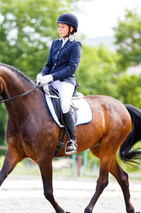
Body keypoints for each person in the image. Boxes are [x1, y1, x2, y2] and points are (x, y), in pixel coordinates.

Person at [37, 13, 82, 155]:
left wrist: (51, 76)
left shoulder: (75, 45)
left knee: (64, 106)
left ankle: (72, 141)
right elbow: (49, 64)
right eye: (59, 27)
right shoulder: (55, 43)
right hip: (50, 80)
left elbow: (71, 68)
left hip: (65, 82)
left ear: (71, 29)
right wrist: (42, 74)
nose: (60, 29)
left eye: (62, 27)